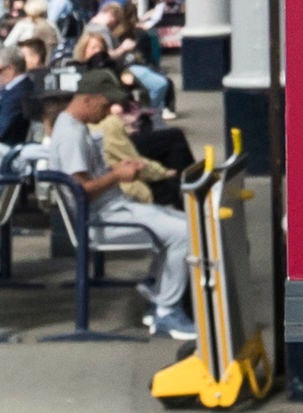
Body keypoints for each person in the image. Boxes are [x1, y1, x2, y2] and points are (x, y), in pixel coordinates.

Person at [43, 68, 193, 339]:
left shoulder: (75, 127)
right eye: (104, 104)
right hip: (101, 220)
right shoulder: (72, 136)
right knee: (186, 234)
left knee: (186, 225)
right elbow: (82, 191)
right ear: (87, 99)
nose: (110, 110)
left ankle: (157, 287)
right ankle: (166, 310)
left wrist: (117, 171)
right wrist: (117, 175)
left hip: (112, 211)